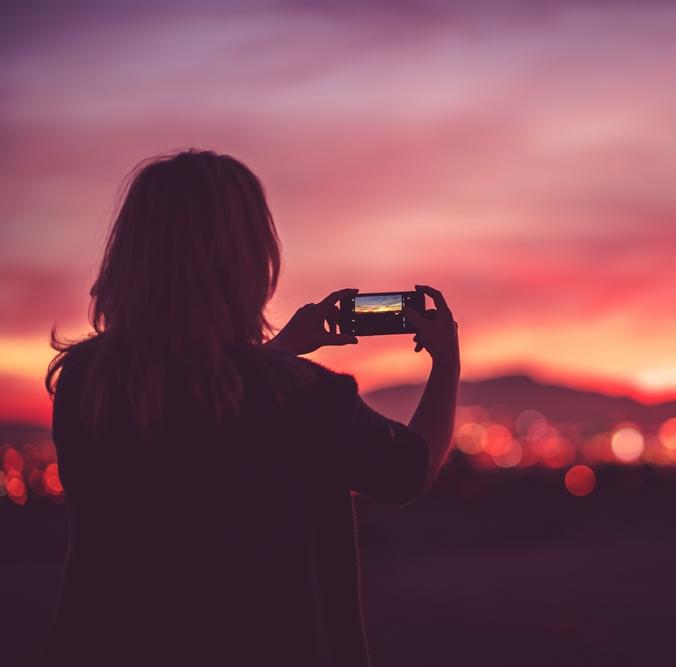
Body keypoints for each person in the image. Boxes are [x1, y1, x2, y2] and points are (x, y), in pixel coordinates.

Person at [42, 150, 459, 666]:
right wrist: (447, 364)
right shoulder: (298, 397)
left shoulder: (87, 383)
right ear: (249, 258)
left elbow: (196, 422)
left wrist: (277, 351)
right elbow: (409, 470)